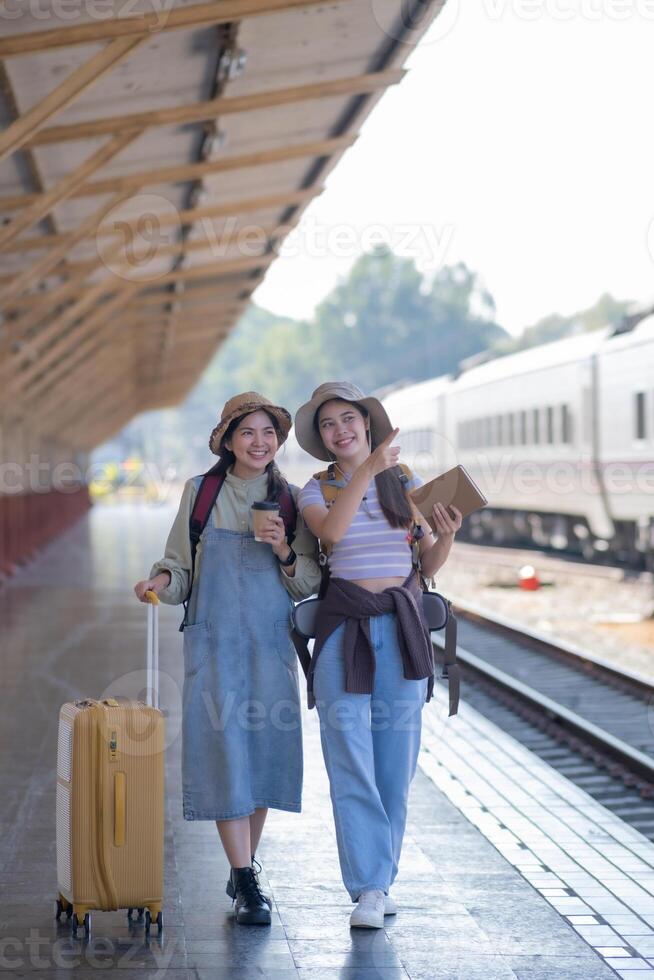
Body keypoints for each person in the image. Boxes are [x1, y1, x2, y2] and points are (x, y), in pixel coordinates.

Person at [134, 392, 320, 926]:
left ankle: (244, 872)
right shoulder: (201, 492)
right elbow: (179, 566)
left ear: (278, 441)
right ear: (228, 440)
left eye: (268, 434)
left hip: (269, 643)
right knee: (223, 753)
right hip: (214, 643)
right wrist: (159, 583)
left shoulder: (291, 499)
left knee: (262, 753)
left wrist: (284, 549)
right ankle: (245, 878)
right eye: (248, 433)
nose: (259, 443)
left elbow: (309, 580)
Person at [295, 382, 462, 929]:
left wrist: (446, 536)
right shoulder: (314, 491)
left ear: (367, 424)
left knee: (396, 766)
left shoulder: (406, 482)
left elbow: (428, 565)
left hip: (403, 626)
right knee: (350, 761)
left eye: (349, 419)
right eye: (329, 424)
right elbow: (335, 534)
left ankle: (380, 880)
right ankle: (368, 886)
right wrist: (367, 469)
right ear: (321, 439)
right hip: (345, 631)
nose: (341, 429)